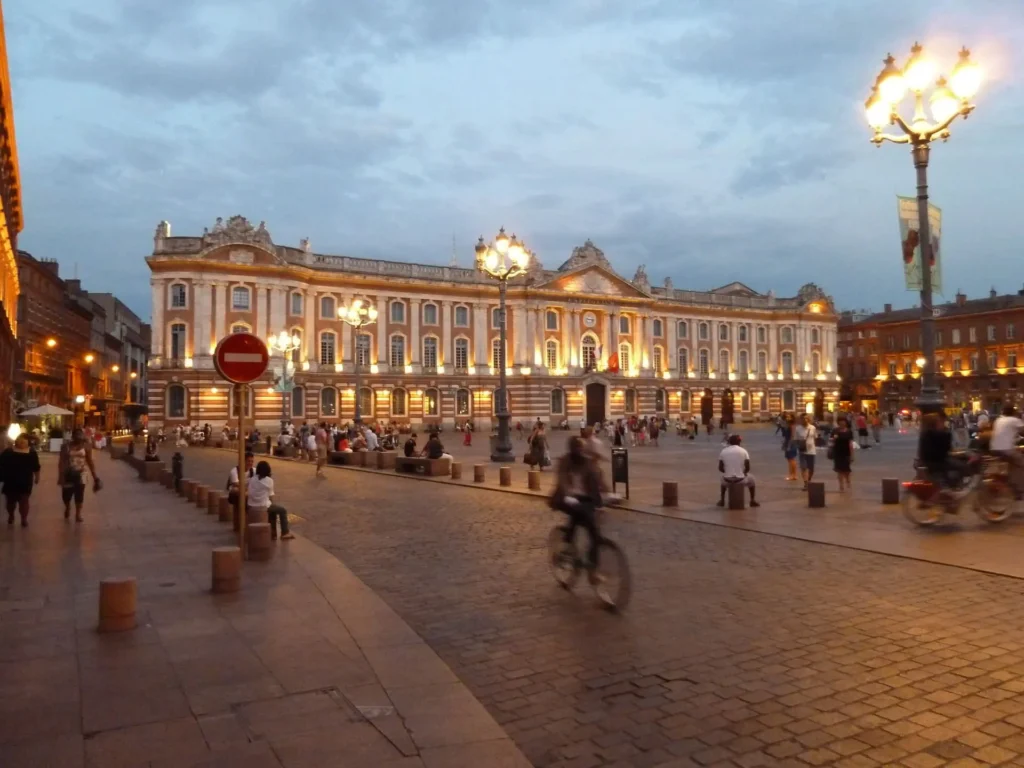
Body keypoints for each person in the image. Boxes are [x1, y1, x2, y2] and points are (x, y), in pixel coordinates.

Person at [549, 436, 604, 585]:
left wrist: (607, 493)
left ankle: (593, 567)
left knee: (594, 533)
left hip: (584, 499)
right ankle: (567, 550)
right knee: (581, 518)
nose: (581, 451)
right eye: (578, 448)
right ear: (572, 449)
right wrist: (568, 495)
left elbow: (596, 478)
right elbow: (563, 480)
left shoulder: (587, 462)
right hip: (566, 499)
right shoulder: (565, 462)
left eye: (582, 448)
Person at [57, 428, 100, 523]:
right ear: (73, 436)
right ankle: (67, 507)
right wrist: (61, 475)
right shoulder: (66, 446)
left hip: (82, 473)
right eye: (76, 435)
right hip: (68, 473)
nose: (78, 438)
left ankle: (78, 514)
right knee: (66, 495)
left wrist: (95, 476)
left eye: (80, 435)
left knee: (80, 493)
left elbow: (89, 461)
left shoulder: (86, 446)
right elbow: (61, 461)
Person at [0, 433, 41, 527]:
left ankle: (24, 519)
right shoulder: (8, 452)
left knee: (24, 500)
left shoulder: (31, 453)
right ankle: (11, 515)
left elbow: (36, 467)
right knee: (10, 501)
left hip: (25, 480)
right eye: (20, 439)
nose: (22, 441)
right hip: (10, 480)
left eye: (25, 439)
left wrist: (37, 477)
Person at [247, 461, 294, 540]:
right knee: (282, 510)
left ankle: (273, 534)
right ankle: (285, 532)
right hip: (262, 505)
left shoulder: (252, 479)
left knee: (272, 509)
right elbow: (271, 496)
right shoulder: (269, 480)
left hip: (251, 504)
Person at [989, 405, 1024, 497]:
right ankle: (1018, 491)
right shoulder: (1014, 420)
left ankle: (1005, 481)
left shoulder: (998, 420)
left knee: (1011, 463)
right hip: (1006, 449)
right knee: (1021, 464)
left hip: (994, 448)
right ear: (1013, 412)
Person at [716, 434, 759, 507]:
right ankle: (752, 500)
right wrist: (743, 473)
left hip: (727, 480)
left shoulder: (723, 451)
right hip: (740, 479)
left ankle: (722, 500)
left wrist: (727, 472)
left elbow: (720, 468)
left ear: (729, 442)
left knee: (722, 481)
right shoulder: (743, 451)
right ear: (739, 442)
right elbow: (748, 468)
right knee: (752, 481)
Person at [830, 416, 855, 492]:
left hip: (846, 452)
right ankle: (841, 485)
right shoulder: (835, 430)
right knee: (839, 470)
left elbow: (850, 443)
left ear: (846, 422)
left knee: (847, 470)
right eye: (840, 421)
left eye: (843, 421)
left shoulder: (849, 431)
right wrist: (833, 439)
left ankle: (848, 480)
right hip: (837, 452)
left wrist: (852, 454)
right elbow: (830, 440)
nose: (842, 423)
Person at [794, 414, 817, 491]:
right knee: (803, 467)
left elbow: (815, 438)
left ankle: (809, 480)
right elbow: (796, 440)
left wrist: (812, 445)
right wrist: (799, 445)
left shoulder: (812, 428)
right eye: (803, 419)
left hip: (811, 450)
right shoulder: (798, 428)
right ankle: (805, 483)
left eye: (806, 418)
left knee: (811, 468)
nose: (805, 420)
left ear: (808, 419)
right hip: (802, 451)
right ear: (800, 420)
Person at [782, 414, 798, 481]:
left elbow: (792, 436)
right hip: (788, 443)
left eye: (789, 417)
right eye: (787, 416)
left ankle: (793, 475)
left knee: (791, 459)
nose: (787, 418)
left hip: (791, 444)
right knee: (789, 459)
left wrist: (789, 445)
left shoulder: (792, 426)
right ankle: (792, 475)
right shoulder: (788, 425)